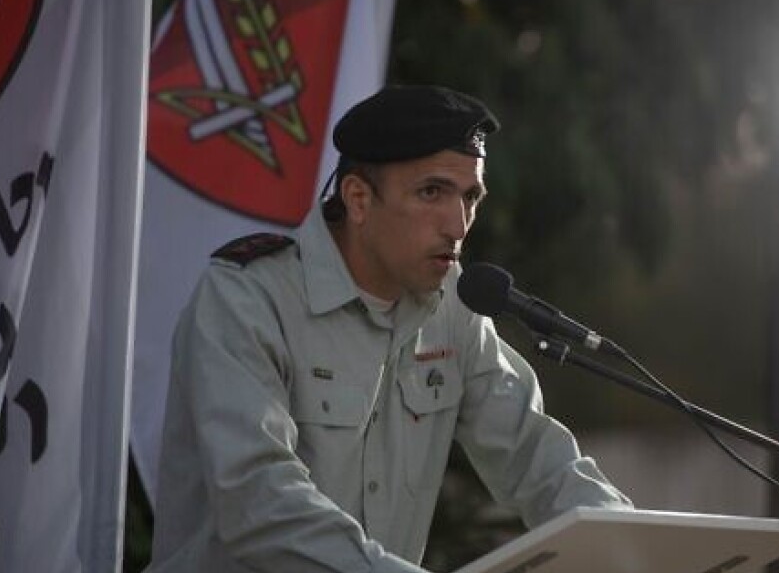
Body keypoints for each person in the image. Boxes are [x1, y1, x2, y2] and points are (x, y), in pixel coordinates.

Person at [147, 85, 631, 573]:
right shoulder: (245, 299)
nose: (459, 225)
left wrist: (635, 548)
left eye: (471, 196)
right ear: (358, 198)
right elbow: (258, 503)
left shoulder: (454, 307)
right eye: (432, 192)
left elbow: (535, 456)